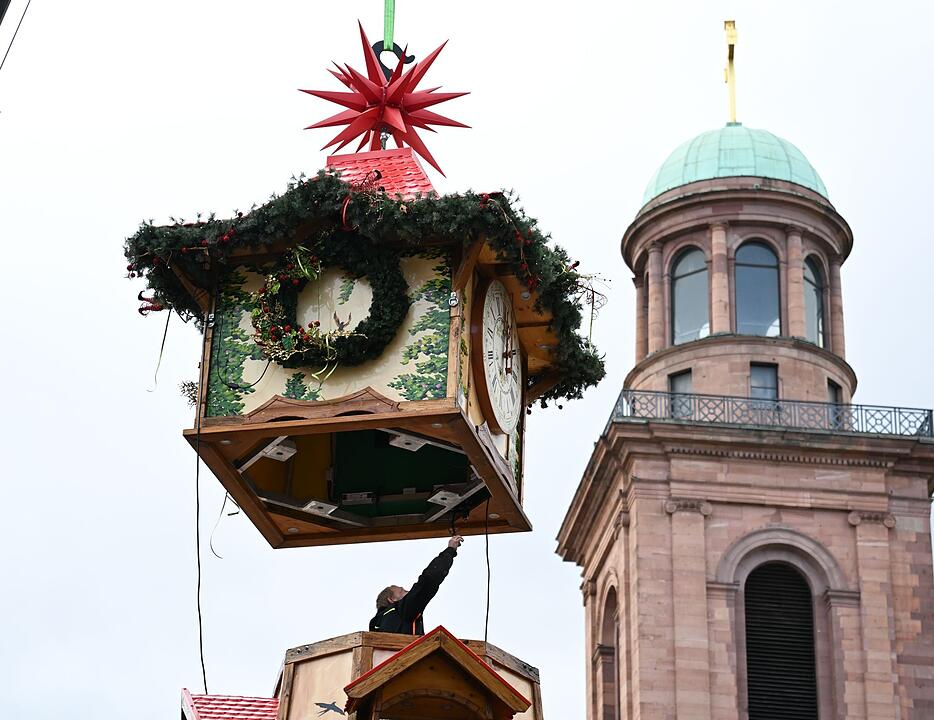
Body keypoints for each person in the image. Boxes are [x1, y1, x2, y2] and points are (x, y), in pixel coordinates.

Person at [369, 535, 464, 635]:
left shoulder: (375, 623)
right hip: (410, 650)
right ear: (391, 600)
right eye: (403, 591)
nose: (409, 592)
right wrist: (450, 550)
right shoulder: (400, 610)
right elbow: (428, 580)